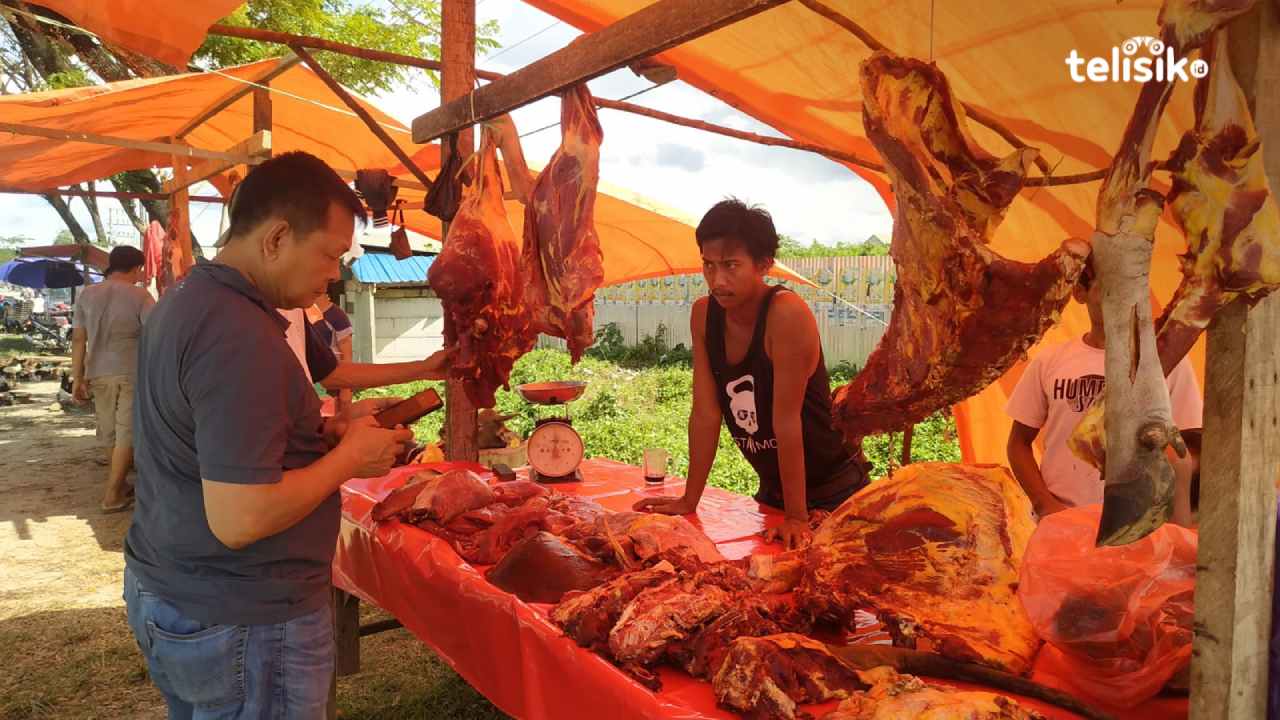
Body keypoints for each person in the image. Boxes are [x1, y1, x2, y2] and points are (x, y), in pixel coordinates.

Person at [123, 151, 446, 719]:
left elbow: (212, 435)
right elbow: (240, 519)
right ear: (275, 239)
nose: (333, 275)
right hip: (246, 617)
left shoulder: (187, 299)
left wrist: (322, 431)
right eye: (327, 255)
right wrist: (348, 457)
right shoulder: (237, 334)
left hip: (177, 588)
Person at [634, 199, 868, 549]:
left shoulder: (785, 314)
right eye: (708, 265)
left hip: (835, 492)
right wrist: (688, 500)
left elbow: (786, 422)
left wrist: (797, 518)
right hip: (774, 491)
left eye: (731, 265)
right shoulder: (704, 316)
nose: (718, 279)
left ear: (764, 264)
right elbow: (705, 413)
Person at [1005, 255, 1203, 522]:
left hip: (1139, 528)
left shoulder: (1168, 362)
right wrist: (1045, 505)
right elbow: (1018, 443)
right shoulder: (1050, 361)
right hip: (1064, 522)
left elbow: (1193, 449)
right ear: (1080, 292)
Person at [70, 245, 154, 513]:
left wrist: (77, 378)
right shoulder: (140, 295)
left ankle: (119, 484)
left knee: (108, 431)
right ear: (135, 268)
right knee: (126, 432)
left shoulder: (86, 294)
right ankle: (112, 494)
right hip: (131, 370)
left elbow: (79, 339)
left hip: (98, 371)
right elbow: (156, 332)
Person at [306, 287, 354, 412]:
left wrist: (346, 389)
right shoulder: (301, 312)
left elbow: (347, 354)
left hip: (333, 381)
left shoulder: (336, 315)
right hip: (310, 381)